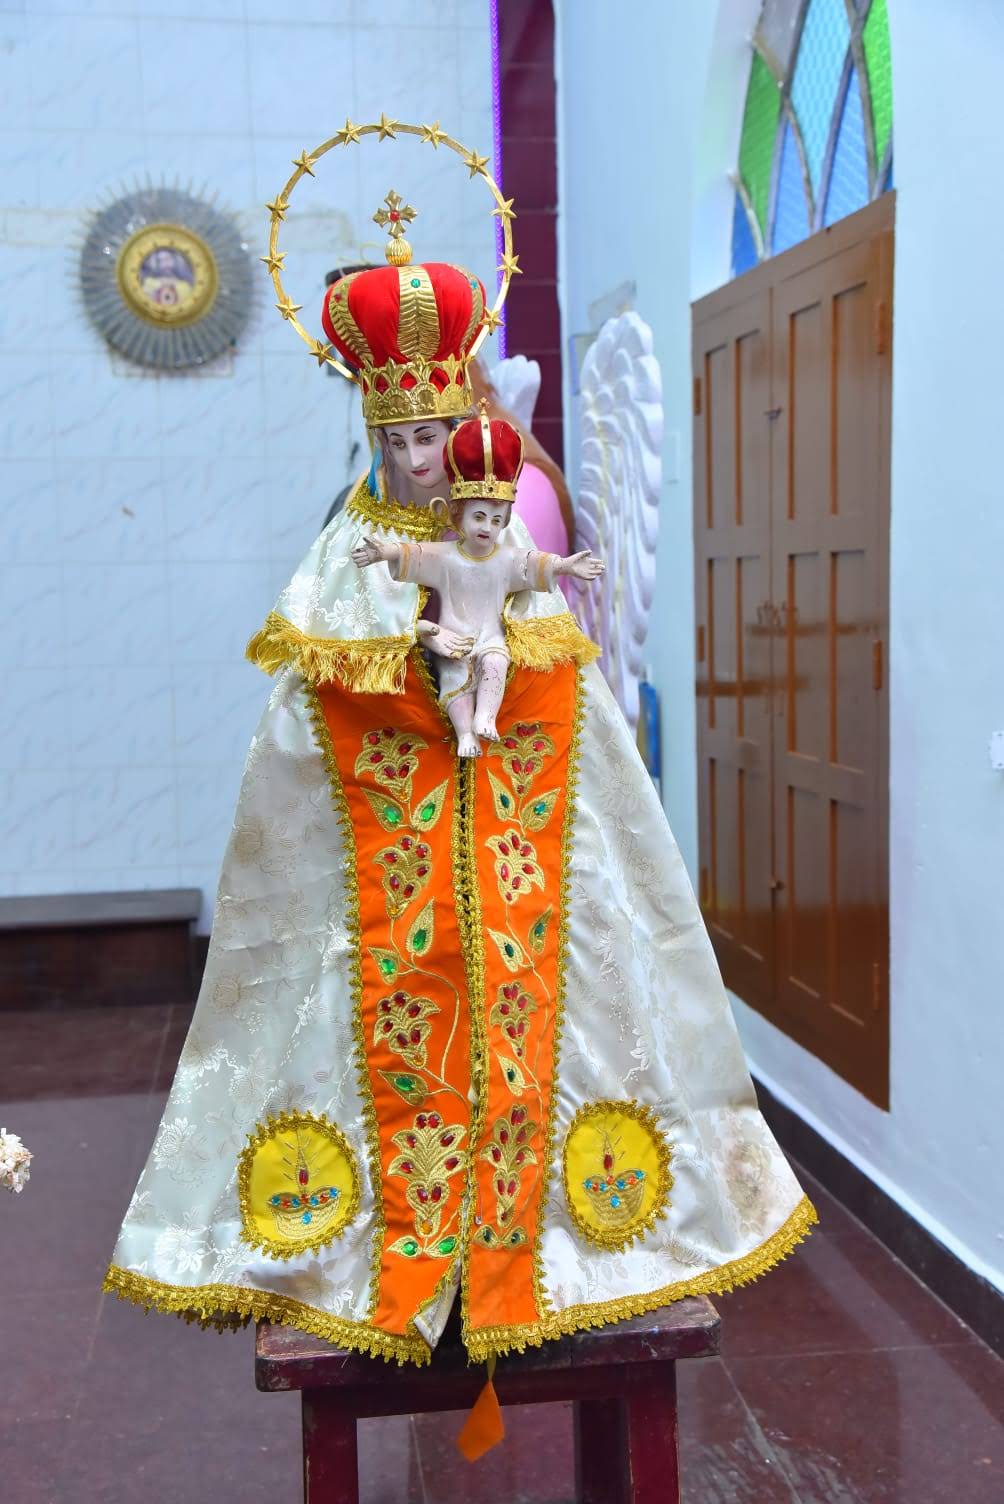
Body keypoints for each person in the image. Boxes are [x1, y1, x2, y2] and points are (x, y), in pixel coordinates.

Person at [104, 175, 815, 1389]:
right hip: (383, 879)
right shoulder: (351, 546)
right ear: (371, 435)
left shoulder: (507, 502)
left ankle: (548, 1248)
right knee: (368, 1020)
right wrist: (385, 685)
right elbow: (301, 728)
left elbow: (558, 665)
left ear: (464, 416)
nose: (413, 459)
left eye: (427, 435)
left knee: (570, 1006)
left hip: (518, 841)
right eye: (390, 440)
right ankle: (378, 1254)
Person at [352, 409, 604, 754]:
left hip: (495, 659)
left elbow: (528, 567)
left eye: (426, 439)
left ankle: (481, 719)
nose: (414, 459)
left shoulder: (502, 528)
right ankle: (466, 728)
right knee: (453, 685)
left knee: (497, 667)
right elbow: (392, 576)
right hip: (403, 705)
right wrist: (421, 631)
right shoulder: (369, 519)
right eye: (397, 443)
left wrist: (565, 566)